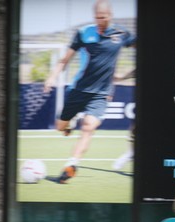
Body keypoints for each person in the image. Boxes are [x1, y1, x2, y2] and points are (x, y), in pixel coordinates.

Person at [42, 0, 135, 183]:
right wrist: (51, 77)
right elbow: (64, 60)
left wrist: (124, 76)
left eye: (104, 17)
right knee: (61, 127)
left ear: (110, 15)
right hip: (79, 89)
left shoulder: (122, 34)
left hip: (101, 93)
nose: (100, 21)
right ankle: (70, 123)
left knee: (88, 127)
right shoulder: (84, 33)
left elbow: (144, 50)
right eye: (97, 18)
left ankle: (71, 165)